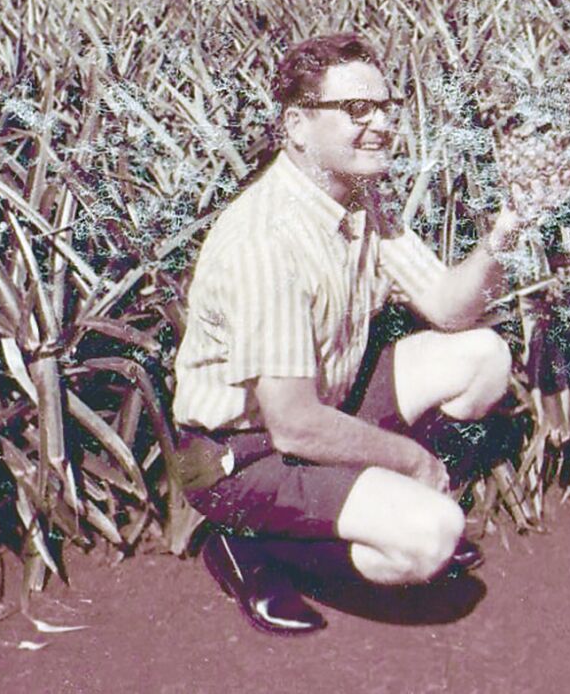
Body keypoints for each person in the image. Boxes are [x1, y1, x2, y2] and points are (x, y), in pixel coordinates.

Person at [172, 32, 521, 634]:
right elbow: (293, 423)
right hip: (244, 455)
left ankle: (368, 505)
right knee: (431, 538)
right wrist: (412, 462)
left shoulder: (359, 198)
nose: (381, 124)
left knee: (484, 356)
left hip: (324, 408)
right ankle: (249, 546)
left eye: (386, 107)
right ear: (298, 125)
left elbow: (449, 309)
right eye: (357, 110)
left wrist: (505, 232)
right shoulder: (268, 240)